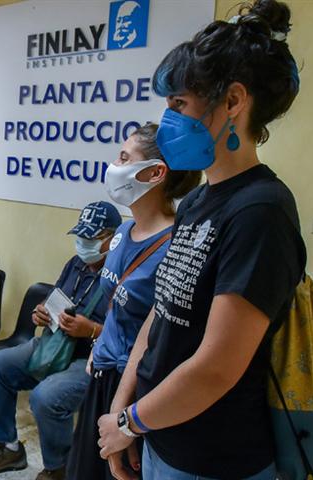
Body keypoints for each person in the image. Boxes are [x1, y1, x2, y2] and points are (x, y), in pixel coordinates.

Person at [95, 2, 306, 479]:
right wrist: (125, 408)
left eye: (179, 105)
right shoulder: (195, 202)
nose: (168, 120)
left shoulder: (261, 211)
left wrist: (129, 422)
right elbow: (160, 315)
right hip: (159, 432)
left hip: (214, 458)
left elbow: (216, 367)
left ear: (233, 102)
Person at [65, 124, 200, 480]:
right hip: (102, 371)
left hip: (134, 387)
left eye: (124, 158)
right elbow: (116, 306)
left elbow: (158, 331)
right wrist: (99, 342)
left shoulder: (174, 246)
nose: (114, 165)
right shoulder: (123, 232)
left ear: (155, 173)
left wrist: (128, 413)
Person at [0, 201, 121, 480]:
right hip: (56, 344)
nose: (83, 244)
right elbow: (57, 299)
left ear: (113, 238)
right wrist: (43, 313)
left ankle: (60, 467)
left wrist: (92, 330)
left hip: (92, 358)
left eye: (91, 238)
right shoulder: (76, 264)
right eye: (80, 237)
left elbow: (127, 332)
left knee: (47, 397)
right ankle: (9, 448)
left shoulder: (123, 273)